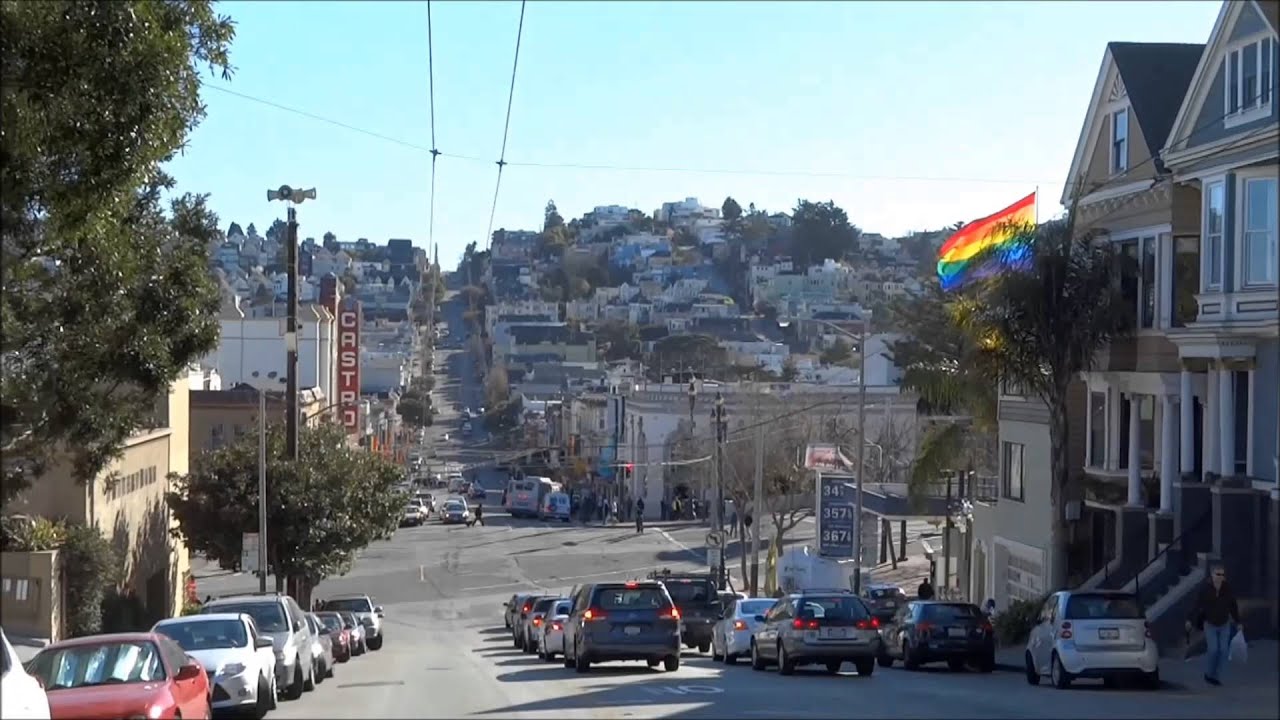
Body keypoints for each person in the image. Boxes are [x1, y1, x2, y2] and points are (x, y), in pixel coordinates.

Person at [1187, 562, 1241, 686]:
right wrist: (1190, 619)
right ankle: (1209, 673)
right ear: (1212, 575)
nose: (1220, 577)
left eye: (1222, 574)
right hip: (1210, 624)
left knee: (1223, 650)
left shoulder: (1227, 589)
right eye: (1218, 574)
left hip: (1224, 624)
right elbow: (1196, 605)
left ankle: (1214, 676)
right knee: (1213, 650)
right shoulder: (1205, 590)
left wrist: (1238, 621)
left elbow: (1233, 606)